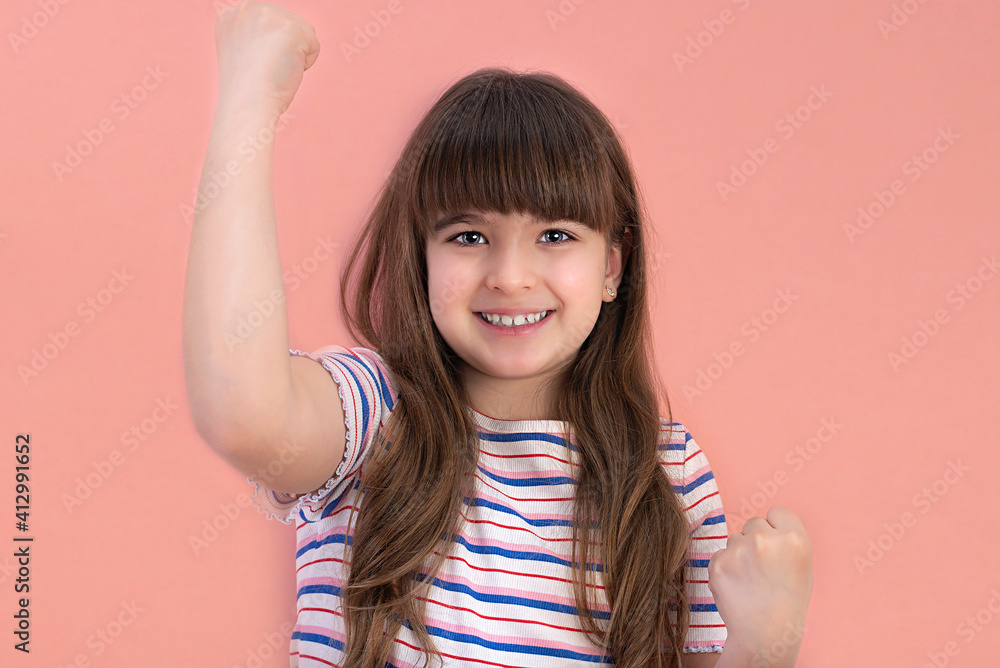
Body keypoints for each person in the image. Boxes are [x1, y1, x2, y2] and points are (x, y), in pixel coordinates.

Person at [182, 2, 813, 667]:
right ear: (420, 256)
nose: (510, 276)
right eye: (469, 236)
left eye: (555, 235)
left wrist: (767, 645)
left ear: (612, 265)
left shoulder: (667, 475)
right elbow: (240, 410)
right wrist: (250, 101)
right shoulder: (374, 417)